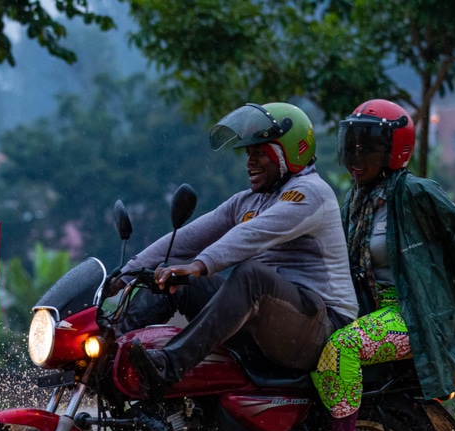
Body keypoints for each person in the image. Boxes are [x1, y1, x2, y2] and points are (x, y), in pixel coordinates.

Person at [112, 101, 358, 398]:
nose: (249, 162)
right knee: (179, 281)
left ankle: (168, 365)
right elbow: (187, 238)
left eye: (259, 153)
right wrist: (124, 276)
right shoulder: (247, 201)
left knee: (251, 276)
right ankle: (111, 348)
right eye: (248, 153)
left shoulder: (311, 193)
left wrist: (201, 264)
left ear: (290, 152)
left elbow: (252, 234)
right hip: (270, 326)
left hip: (321, 328)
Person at [310, 99, 455, 431]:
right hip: (370, 309)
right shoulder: (355, 199)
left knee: (343, 348)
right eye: (350, 146)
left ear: (395, 151)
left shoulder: (415, 194)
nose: (354, 157)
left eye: (367, 148)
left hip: (412, 313)